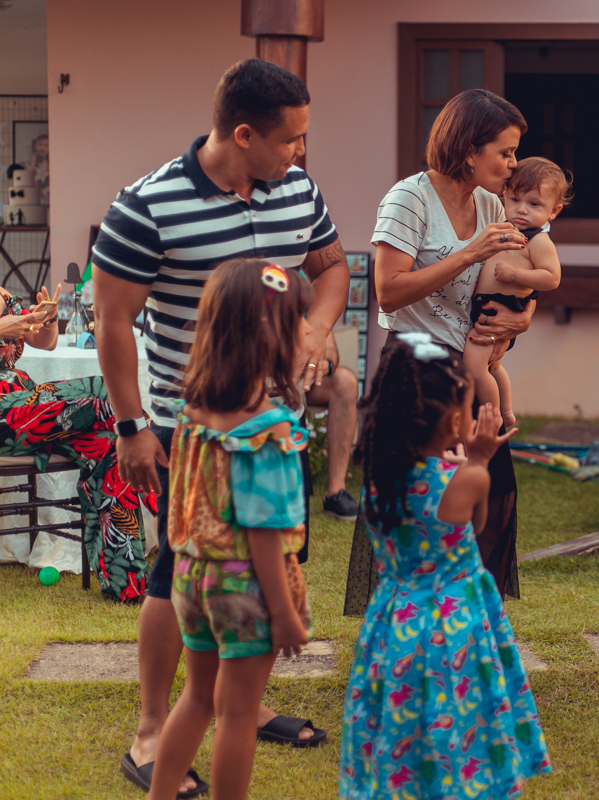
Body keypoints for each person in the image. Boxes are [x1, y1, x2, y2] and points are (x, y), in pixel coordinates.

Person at [94, 58, 348, 795]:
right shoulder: (148, 204)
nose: (300, 153)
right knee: (177, 575)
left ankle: (242, 693)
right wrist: (132, 424)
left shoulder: (296, 188)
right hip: (186, 425)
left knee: (273, 551)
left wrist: (316, 328)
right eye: (291, 139)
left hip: (279, 423)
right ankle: (151, 730)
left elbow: (329, 268)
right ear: (243, 134)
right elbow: (113, 323)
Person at [339, 333, 551, 799]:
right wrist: (477, 459)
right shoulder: (466, 479)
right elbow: (474, 529)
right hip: (453, 626)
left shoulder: (381, 479)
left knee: (402, 726)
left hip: (394, 623)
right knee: (457, 717)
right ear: (456, 418)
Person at [350, 88, 532, 611]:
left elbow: (509, 283)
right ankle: (405, 626)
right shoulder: (409, 198)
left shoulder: (490, 202)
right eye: (506, 151)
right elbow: (389, 290)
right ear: (469, 149)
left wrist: (520, 317)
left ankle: (472, 619)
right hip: (415, 376)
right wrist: (470, 252)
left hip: (471, 371)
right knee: (413, 505)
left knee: (492, 493)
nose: (513, 163)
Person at [146, 259, 313, 800]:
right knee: (237, 714)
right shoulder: (267, 432)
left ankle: (160, 793)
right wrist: (285, 615)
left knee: (196, 698)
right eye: (298, 320)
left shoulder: (192, 416)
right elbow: (264, 532)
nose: (307, 331)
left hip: (192, 579)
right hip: (245, 589)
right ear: (270, 335)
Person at [0, 284, 156, 600]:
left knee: (108, 442)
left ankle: (124, 584)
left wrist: (49, 318)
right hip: (8, 416)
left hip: (25, 402)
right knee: (105, 392)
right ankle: (174, 517)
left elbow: (44, 342)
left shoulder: (3, 294)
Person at [465, 156, 567, 428]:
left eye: (534, 204)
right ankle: (508, 410)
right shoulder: (506, 228)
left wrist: (515, 275)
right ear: (504, 197)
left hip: (500, 309)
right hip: (487, 306)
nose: (522, 209)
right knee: (494, 366)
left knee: (475, 367)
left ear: (554, 211)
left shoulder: (539, 240)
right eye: (515, 200)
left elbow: (551, 278)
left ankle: (494, 415)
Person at [307, 331, 361, 520]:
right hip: (262, 378)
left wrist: (322, 366)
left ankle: (336, 492)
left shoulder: (315, 304)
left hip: (304, 380)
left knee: (345, 381)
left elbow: (331, 353)